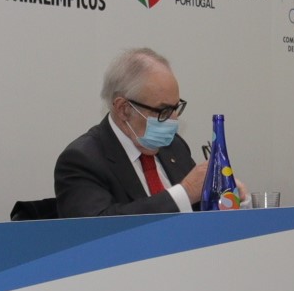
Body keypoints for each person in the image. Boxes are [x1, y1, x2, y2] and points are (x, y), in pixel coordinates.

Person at [54, 48, 208, 218]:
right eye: (163, 110)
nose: (174, 119)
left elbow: (199, 210)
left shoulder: (174, 146)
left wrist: (220, 196)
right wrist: (185, 193)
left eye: (176, 107)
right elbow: (98, 226)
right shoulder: (82, 160)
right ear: (123, 109)